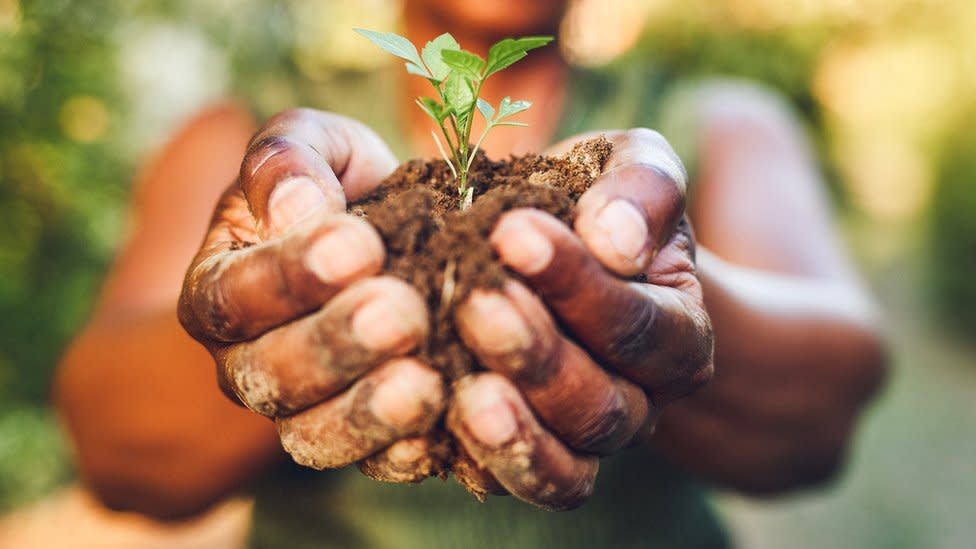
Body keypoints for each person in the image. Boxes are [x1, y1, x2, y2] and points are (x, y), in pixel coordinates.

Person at [54, 0, 888, 546]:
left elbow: (824, 414)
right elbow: (116, 453)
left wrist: (631, 290)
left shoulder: (710, 120)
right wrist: (289, 294)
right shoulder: (249, 130)